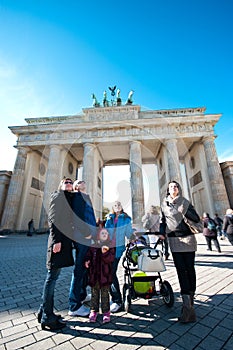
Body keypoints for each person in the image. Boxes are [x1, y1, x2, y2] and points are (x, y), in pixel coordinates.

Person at [160, 180, 200, 323]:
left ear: (179, 189)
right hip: (174, 240)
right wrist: (161, 233)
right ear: (168, 190)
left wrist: (183, 209)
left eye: (176, 186)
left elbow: (196, 218)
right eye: (171, 187)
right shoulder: (164, 204)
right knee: (180, 271)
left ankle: (190, 304)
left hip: (188, 238)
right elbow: (162, 221)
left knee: (190, 269)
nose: (174, 188)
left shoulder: (184, 201)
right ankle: (187, 307)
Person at [38, 178, 74, 330]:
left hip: (62, 243)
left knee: (53, 277)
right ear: (60, 185)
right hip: (57, 244)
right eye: (65, 181)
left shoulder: (67, 198)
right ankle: (47, 318)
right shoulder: (58, 196)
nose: (68, 183)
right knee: (51, 278)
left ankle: (43, 311)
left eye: (70, 182)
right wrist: (56, 241)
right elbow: (52, 219)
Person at [68, 180, 97, 317]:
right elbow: (76, 218)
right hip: (82, 237)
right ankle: (74, 305)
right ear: (76, 187)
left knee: (86, 268)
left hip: (88, 237)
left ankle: (81, 295)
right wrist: (87, 233)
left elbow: (90, 217)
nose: (82, 181)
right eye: (79, 181)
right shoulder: (78, 197)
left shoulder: (86, 197)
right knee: (79, 269)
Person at [105, 201, 133, 313]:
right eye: (115, 205)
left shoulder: (126, 219)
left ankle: (117, 300)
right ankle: (115, 298)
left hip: (117, 249)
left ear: (122, 207)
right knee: (109, 273)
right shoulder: (109, 218)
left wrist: (134, 237)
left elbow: (129, 233)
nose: (117, 207)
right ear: (112, 207)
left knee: (111, 273)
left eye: (119, 205)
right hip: (107, 248)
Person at [84, 227, 115, 323]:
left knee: (105, 294)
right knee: (94, 294)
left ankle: (106, 312)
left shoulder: (110, 246)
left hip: (105, 276)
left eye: (106, 233)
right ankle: (94, 311)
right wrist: (87, 261)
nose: (104, 235)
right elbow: (88, 255)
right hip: (94, 275)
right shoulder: (93, 246)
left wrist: (105, 253)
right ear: (98, 236)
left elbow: (110, 259)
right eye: (102, 234)